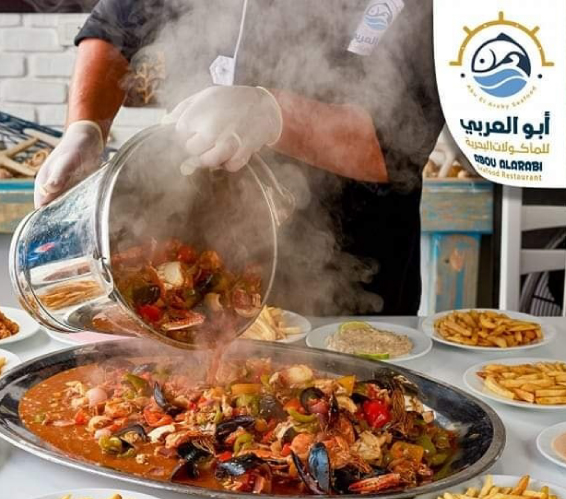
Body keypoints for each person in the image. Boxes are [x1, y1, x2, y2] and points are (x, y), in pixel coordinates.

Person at [34, 0, 444, 316]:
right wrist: (85, 128)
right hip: (196, 277)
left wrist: (273, 114)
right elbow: (113, 27)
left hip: (349, 290)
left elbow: (398, 148)